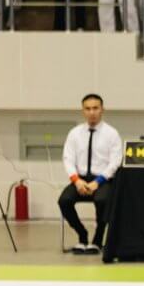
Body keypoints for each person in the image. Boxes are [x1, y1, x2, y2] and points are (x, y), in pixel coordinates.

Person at [59, 93, 121, 254]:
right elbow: (68, 159)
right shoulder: (74, 133)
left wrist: (97, 182)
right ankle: (82, 235)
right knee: (64, 201)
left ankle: (98, 240)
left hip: (103, 180)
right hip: (80, 179)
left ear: (102, 110)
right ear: (83, 111)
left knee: (102, 200)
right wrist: (77, 181)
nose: (92, 112)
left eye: (95, 108)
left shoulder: (112, 134)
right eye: (87, 109)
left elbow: (115, 162)